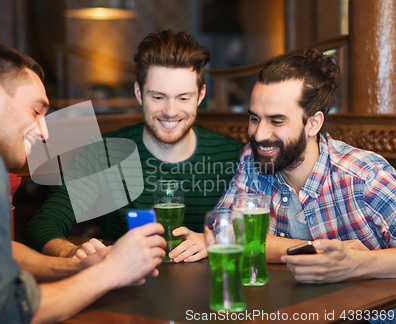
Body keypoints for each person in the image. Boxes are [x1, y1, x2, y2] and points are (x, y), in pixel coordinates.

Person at [0, 42, 166, 323]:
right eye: (36, 111)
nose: (44, 132)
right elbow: (7, 313)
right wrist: (113, 271)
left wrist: (79, 266)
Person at [22, 30, 244, 263]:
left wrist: (216, 240)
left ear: (200, 96)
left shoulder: (233, 156)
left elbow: (263, 232)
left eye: (183, 98)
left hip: (212, 290)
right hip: (128, 289)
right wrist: (70, 251)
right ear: (139, 93)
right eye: (158, 97)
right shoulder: (104, 154)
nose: (170, 111)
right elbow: (42, 225)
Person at [217, 47, 396, 284]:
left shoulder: (366, 176)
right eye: (254, 118)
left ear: (313, 123)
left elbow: (243, 239)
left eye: (276, 121)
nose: (259, 134)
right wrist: (317, 251)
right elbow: (226, 233)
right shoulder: (253, 158)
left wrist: (355, 264)